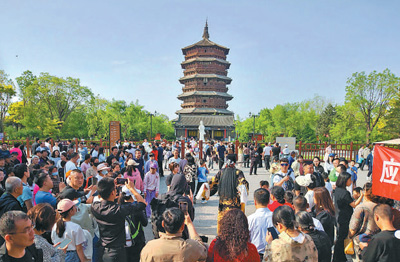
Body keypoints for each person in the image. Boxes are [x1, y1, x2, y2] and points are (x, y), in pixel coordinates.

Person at [91, 177, 146, 262]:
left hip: (102, 249)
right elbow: (142, 203)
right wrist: (132, 188)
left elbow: (102, 198)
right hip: (117, 252)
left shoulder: (95, 207)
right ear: (113, 192)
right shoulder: (118, 210)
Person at [141, 207, 207, 262]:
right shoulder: (190, 247)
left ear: (163, 224)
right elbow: (203, 250)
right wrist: (189, 224)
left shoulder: (150, 247)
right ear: (182, 227)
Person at [333, 172, 363, 262]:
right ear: (345, 180)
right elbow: (354, 205)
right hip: (345, 218)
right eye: (350, 180)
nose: (351, 181)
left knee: (340, 238)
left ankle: (340, 257)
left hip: (339, 216)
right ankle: (338, 258)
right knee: (342, 238)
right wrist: (361, 196)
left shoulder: (337, 190)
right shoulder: (345, 192)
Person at [348, 182, 381, 261]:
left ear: (365, 193)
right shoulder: (381, 206)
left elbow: (352, 229)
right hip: (377, 242)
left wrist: (349, 237)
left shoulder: (361, 208)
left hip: (361, 243)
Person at [118, 186, 147, 262]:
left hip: (123, 244)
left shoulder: (118, 208)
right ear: (132, 196)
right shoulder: (137, 208)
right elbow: (145, 223)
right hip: (137, 242)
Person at [247, 188, 273, 260]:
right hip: (272, 254)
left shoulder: (250, 219)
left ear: (255, 202)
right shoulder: (275, 217)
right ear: (268, 201)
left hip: (255, 255)